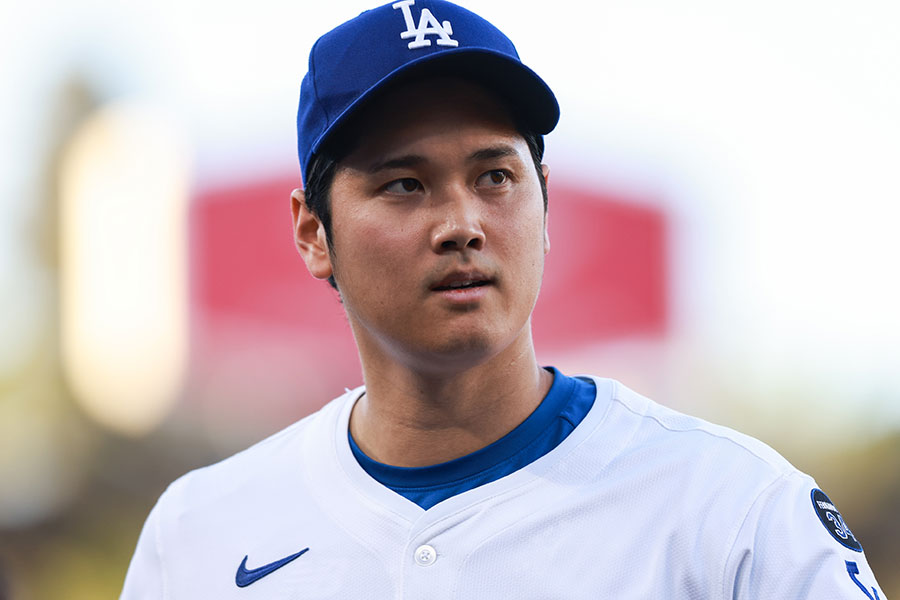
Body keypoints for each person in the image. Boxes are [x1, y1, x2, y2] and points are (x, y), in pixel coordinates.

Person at [121, 1, 887, 598]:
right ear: (313, 232)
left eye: (495, 177)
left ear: (544, 201)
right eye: (405, 184)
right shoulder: (198, 536)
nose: (462, 224)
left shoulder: (734, 510)